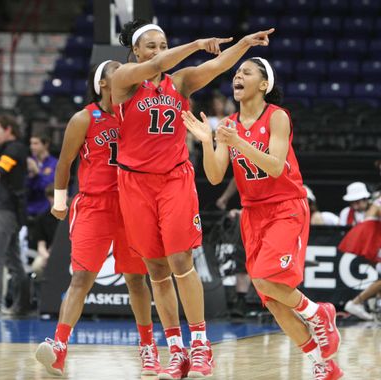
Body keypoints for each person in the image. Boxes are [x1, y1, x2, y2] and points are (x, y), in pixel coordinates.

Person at [111, 19, 274, 379]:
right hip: (134, 183)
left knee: (181, 259)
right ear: (136, 51)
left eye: (163, 43)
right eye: (151, 45)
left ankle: (200, 344)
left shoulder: (180, 82)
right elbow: (155, 66)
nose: (158, 51)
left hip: (174, 180)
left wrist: (244, 43)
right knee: (155, 268)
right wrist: (197, 42)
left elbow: (217, 66)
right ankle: (176, 350)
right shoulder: (123, 77)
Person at [181, 57, 343, 379]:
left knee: (267, 278)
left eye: (246, 72)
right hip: (253, 214)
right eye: (236, 73)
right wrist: (206, 141)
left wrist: (237, 142)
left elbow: (275, 166)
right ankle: (323, 365)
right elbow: (214, 178)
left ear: (264, 84)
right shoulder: (228, 125)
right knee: (271, 298)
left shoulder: (277, 117)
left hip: (285, 207)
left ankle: (318, 312)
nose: (237, 76)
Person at [35, 61, 154, 377]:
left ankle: (148, 346)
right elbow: (65, 162)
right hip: (95, 205)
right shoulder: (84, 118)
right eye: (118, 71)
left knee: (136, 279)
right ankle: (59, 347)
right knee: (81, 278)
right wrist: (60, 201)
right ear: (103, 83)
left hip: (131, 204)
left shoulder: (138, 114)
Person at [0, 114, 30, 317]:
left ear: (9, 129)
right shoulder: (4, 149)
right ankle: (22, 305)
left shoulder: (15, 149)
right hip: (8, 209)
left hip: (7, 209)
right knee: (13, 260)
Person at [26, 133, 58, 217]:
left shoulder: (54, 163)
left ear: (45, 144)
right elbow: (25, 186)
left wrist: (37, 172)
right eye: (31, 143)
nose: (32, 147)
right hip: (28, 209)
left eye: (36, 143)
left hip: (46, 210)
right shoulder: (29, 162)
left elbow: (49, 187)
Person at [31, 184, 58, 277]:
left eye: (65, 195)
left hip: (70, 252)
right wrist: (47, 257)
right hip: (49, 253)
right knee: (37, 266)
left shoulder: (72, 216)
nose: (65, 198)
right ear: (50, 198)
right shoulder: (41, 219)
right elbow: (41, 245)